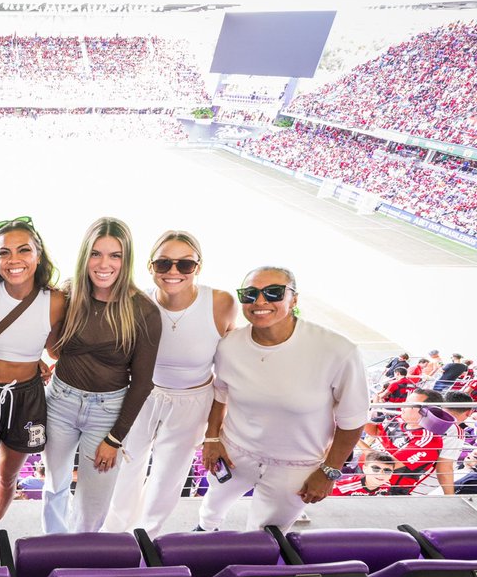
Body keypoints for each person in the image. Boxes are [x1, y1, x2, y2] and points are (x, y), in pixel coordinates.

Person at [197, 266, 369, 532]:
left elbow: (352, 419)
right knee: (211, 507)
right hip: (234, 452)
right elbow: (220, 393)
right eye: (250, 294)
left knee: (264, 537)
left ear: (294, 299)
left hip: (296, 466)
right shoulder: (229, 345)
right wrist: (212, 438)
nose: (260, 301)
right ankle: (204, 536)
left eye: (274, 292)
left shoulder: (338, 350)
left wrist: (329, 470)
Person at [102, 230, 236, 536]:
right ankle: (112, 536)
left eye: (184, 265)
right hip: (141, 396)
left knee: (168, 478)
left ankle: (147, 537)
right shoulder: (136, 302)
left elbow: (228, 375)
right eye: (163, 264)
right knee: (126, 470)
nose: (173, 272)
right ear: (150, 267)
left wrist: (214, 433)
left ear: (198, 266)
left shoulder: (220, 303)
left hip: (193, 402)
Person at [42, 217, 161, 534]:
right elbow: (52, 346)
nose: (104, 264)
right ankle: (52, 548)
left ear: (127, 259)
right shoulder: (69, 294)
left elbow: (143, 382)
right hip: (60, 403)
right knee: (54, 484)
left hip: (107, 414)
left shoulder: (143, 311)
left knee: (94, 501)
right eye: (96, 253)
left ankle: (79, 556)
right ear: (85, 256)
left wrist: (115, 437)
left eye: (115, 255)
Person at [0, 217, 65, 535]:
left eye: (24, 250)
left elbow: (57, 349)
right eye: (4, 252)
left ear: (38, 253)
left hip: (27, 397)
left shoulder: (57, 301)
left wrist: (38, 364)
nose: (14, 260)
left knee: (7, 478)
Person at [331, 451, 396, 496]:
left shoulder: (386, 485)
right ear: (365, 469)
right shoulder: (345, 487)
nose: (381, 473)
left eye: (387, 471)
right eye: (375, 469)